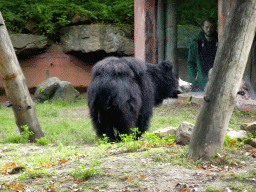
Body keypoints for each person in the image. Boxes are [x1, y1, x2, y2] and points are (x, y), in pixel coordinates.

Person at [187, 17, 218, 92]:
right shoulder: (196, 43)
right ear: (203, 27)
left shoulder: (220, 42)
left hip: (216, 81)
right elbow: (190, 63)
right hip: (200, 83)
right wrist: (193, 81)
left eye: (211, 27)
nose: (209, 30)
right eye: (207, 27)